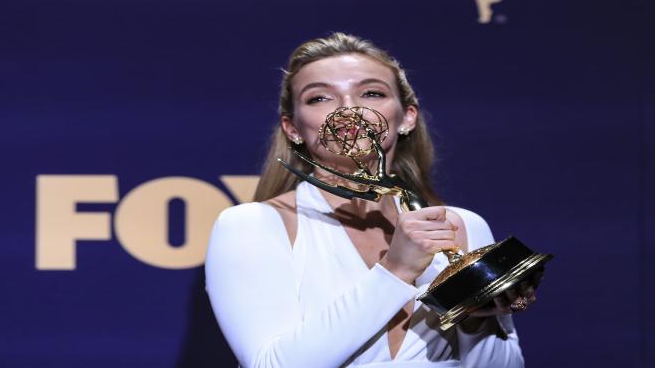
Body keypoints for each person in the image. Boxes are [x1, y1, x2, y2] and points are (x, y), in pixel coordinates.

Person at [205, 33, 539, 367]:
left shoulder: (461, 226)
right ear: (293, 129)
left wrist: (474, 318)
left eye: (371, 93)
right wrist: (396, 270)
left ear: (407, 117)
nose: (348, 108)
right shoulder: (251, 225)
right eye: (320, 98)